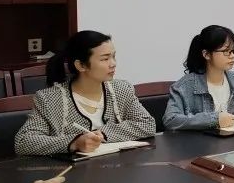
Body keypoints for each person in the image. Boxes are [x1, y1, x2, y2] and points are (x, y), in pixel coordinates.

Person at [15, 30, 156, 156]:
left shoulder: (121, 89)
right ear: (81, 65)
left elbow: (147, 124)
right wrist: (74, 143)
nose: (113, 63)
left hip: (116, 169)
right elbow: (24, 141)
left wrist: (103, 134)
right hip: (72, 173)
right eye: (105, 59)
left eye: (113, 56)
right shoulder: (50, 98)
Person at [164, 25, 234, 131]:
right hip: (200, 141)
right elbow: (171, 120)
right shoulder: (183, 87)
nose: (232, 56)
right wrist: (214, 120)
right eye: (226, 51)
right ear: (206, 54)